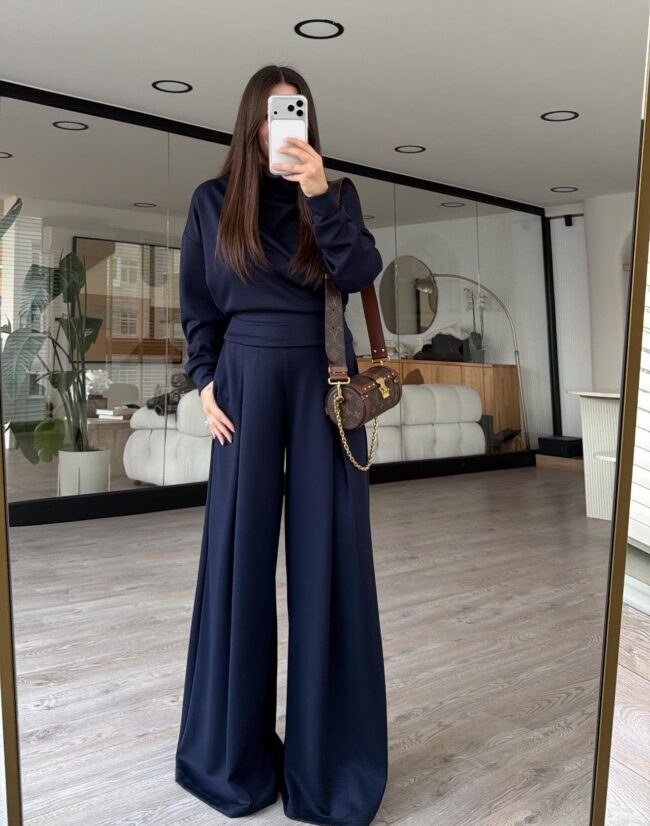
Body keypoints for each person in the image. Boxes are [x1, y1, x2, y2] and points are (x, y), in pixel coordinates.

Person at [174, 64, 388, 826]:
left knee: (331, 560)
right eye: (270, 113)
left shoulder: (335, 194)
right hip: (242, 382)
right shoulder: (211, 202)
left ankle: (328, 771)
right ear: (249, 123)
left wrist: (320, 194)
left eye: (293, 111)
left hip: (327, 380)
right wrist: (205, 381)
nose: (281, 125)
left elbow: (359, 271)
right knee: (237, 561)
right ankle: (232, 761)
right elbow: (197, 305)